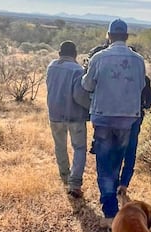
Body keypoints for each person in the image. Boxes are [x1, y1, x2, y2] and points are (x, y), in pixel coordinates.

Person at [81, 19, 146, 227]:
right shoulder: (138, 60)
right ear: (126, 37)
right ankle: (116, 196)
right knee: (118, 158)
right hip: (128, 118)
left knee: (104, 162)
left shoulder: (99, 58)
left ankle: (110, 213)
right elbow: (142, 85)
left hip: (103, 116)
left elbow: (87, 85)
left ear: (108, 36)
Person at [46, 40, 90, 199]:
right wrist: (90, 108)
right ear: (75, 54)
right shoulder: (77, 70)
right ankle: (74, 183)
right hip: (74, 116)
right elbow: (79, 96)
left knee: (60, 146)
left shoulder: (51, 66)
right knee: (79, 148)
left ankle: (64, 176)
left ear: (59, 53)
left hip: (55, 114)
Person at [118, 75, 151, 194]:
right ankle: (124, 184)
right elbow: (149, 101)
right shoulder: (143, 78)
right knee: (131, 149)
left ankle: (113, 180)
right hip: (135, 116)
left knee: (116, 149)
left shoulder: (117, 76)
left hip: (116, 116)